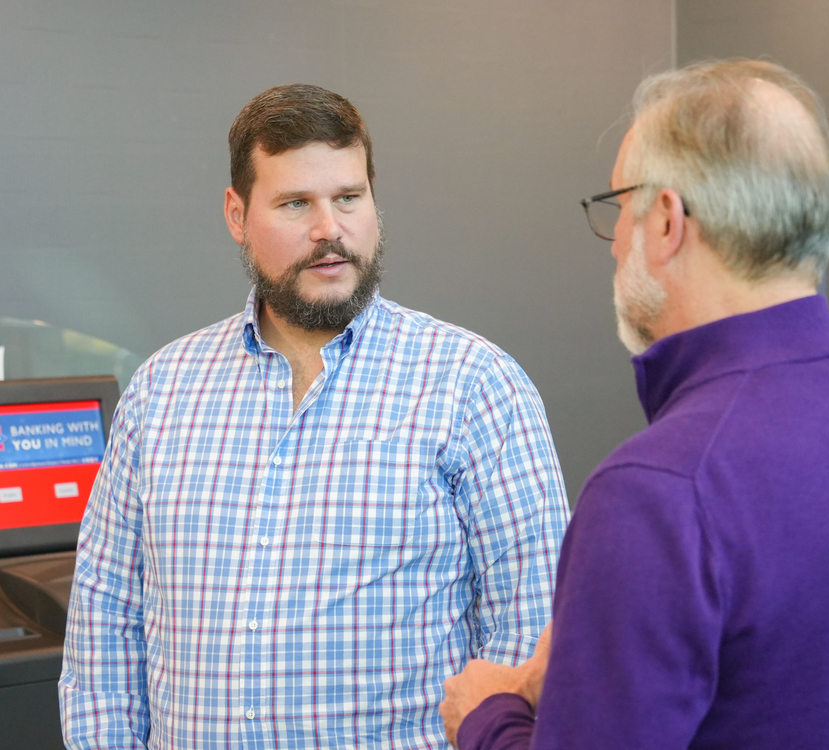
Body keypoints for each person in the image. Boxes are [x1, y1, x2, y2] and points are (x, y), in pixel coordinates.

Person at [440, 59, 829, 749]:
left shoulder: (658, 491)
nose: (613, 247)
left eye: (618, 209)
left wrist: (490, 713)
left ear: (666, 219)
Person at [59, 83, 570, 749]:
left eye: (349, 198)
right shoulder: (162, 392)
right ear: (237, 215)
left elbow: (534, 638)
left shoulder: (474, 386)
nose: (329, 228)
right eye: (296, 203)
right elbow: (105, 633)